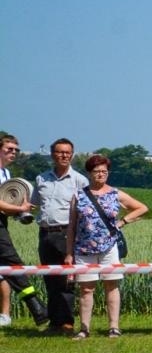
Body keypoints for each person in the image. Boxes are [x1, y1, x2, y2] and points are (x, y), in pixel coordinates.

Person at [64, 153, 147, 338]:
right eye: (96, 171)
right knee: (86, 289)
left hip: (109, 247)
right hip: (83, 249)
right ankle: (84, 328)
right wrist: (69, 253)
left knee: (112, 286)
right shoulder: (78, 195)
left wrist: (123, 221)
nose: (101, 174)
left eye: (104, 171)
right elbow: (71, 227)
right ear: (89, 173)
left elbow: (141, 207)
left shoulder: (115, 193)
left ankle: (114, 327)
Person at [34, 138, 90, 333]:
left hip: (67, 233)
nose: (64, 155)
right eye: (60, 152)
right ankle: (55, 322)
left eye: (67, 152)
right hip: (45, 234)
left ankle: (67, 322)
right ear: (52, 154)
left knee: (67, 280)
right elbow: (34, 205)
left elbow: (86, 209)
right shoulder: (41, 179)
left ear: (72, 155)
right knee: (50, 280)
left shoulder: (80, 181)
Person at [0, 134, 48, 327]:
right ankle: (36, 307)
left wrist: (19, 210)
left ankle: (35, 308)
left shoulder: (6, 174)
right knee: (13, 262)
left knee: (6, 267)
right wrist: (20, 209)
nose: (13, 152)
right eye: (9, 149)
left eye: (16, 150)